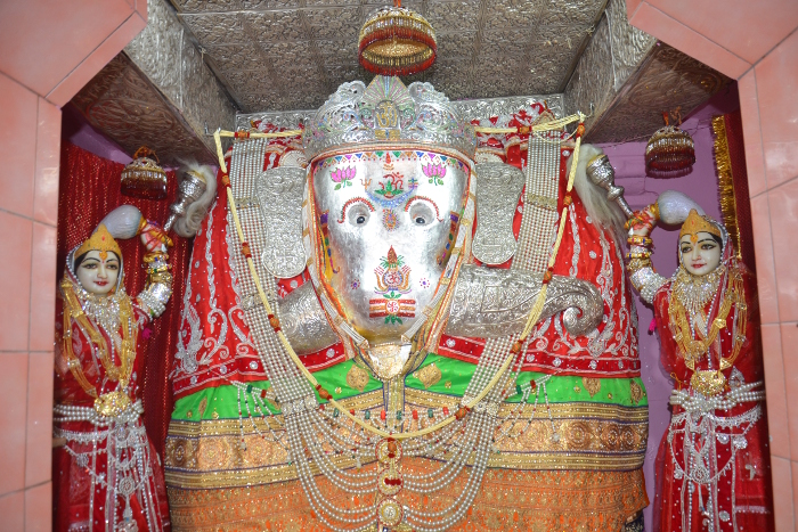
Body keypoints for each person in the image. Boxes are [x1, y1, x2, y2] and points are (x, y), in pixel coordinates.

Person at [628, 207, 773, 532]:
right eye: (686, 247)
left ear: (723, 250)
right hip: (689, 425)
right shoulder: (669, 295)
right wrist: (643, 226)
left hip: (740, 422)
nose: (695, 254)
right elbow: (641, 276)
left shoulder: (743, 288)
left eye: (706, 245)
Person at [53, 206, 173, 532]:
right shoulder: (61, 316)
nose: (102, 272)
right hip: (80, 441)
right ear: (75, 271)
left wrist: (154, 242)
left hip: (129, 436)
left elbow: (160, 290)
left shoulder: (130, 313)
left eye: (112, 265)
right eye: (92, 265)